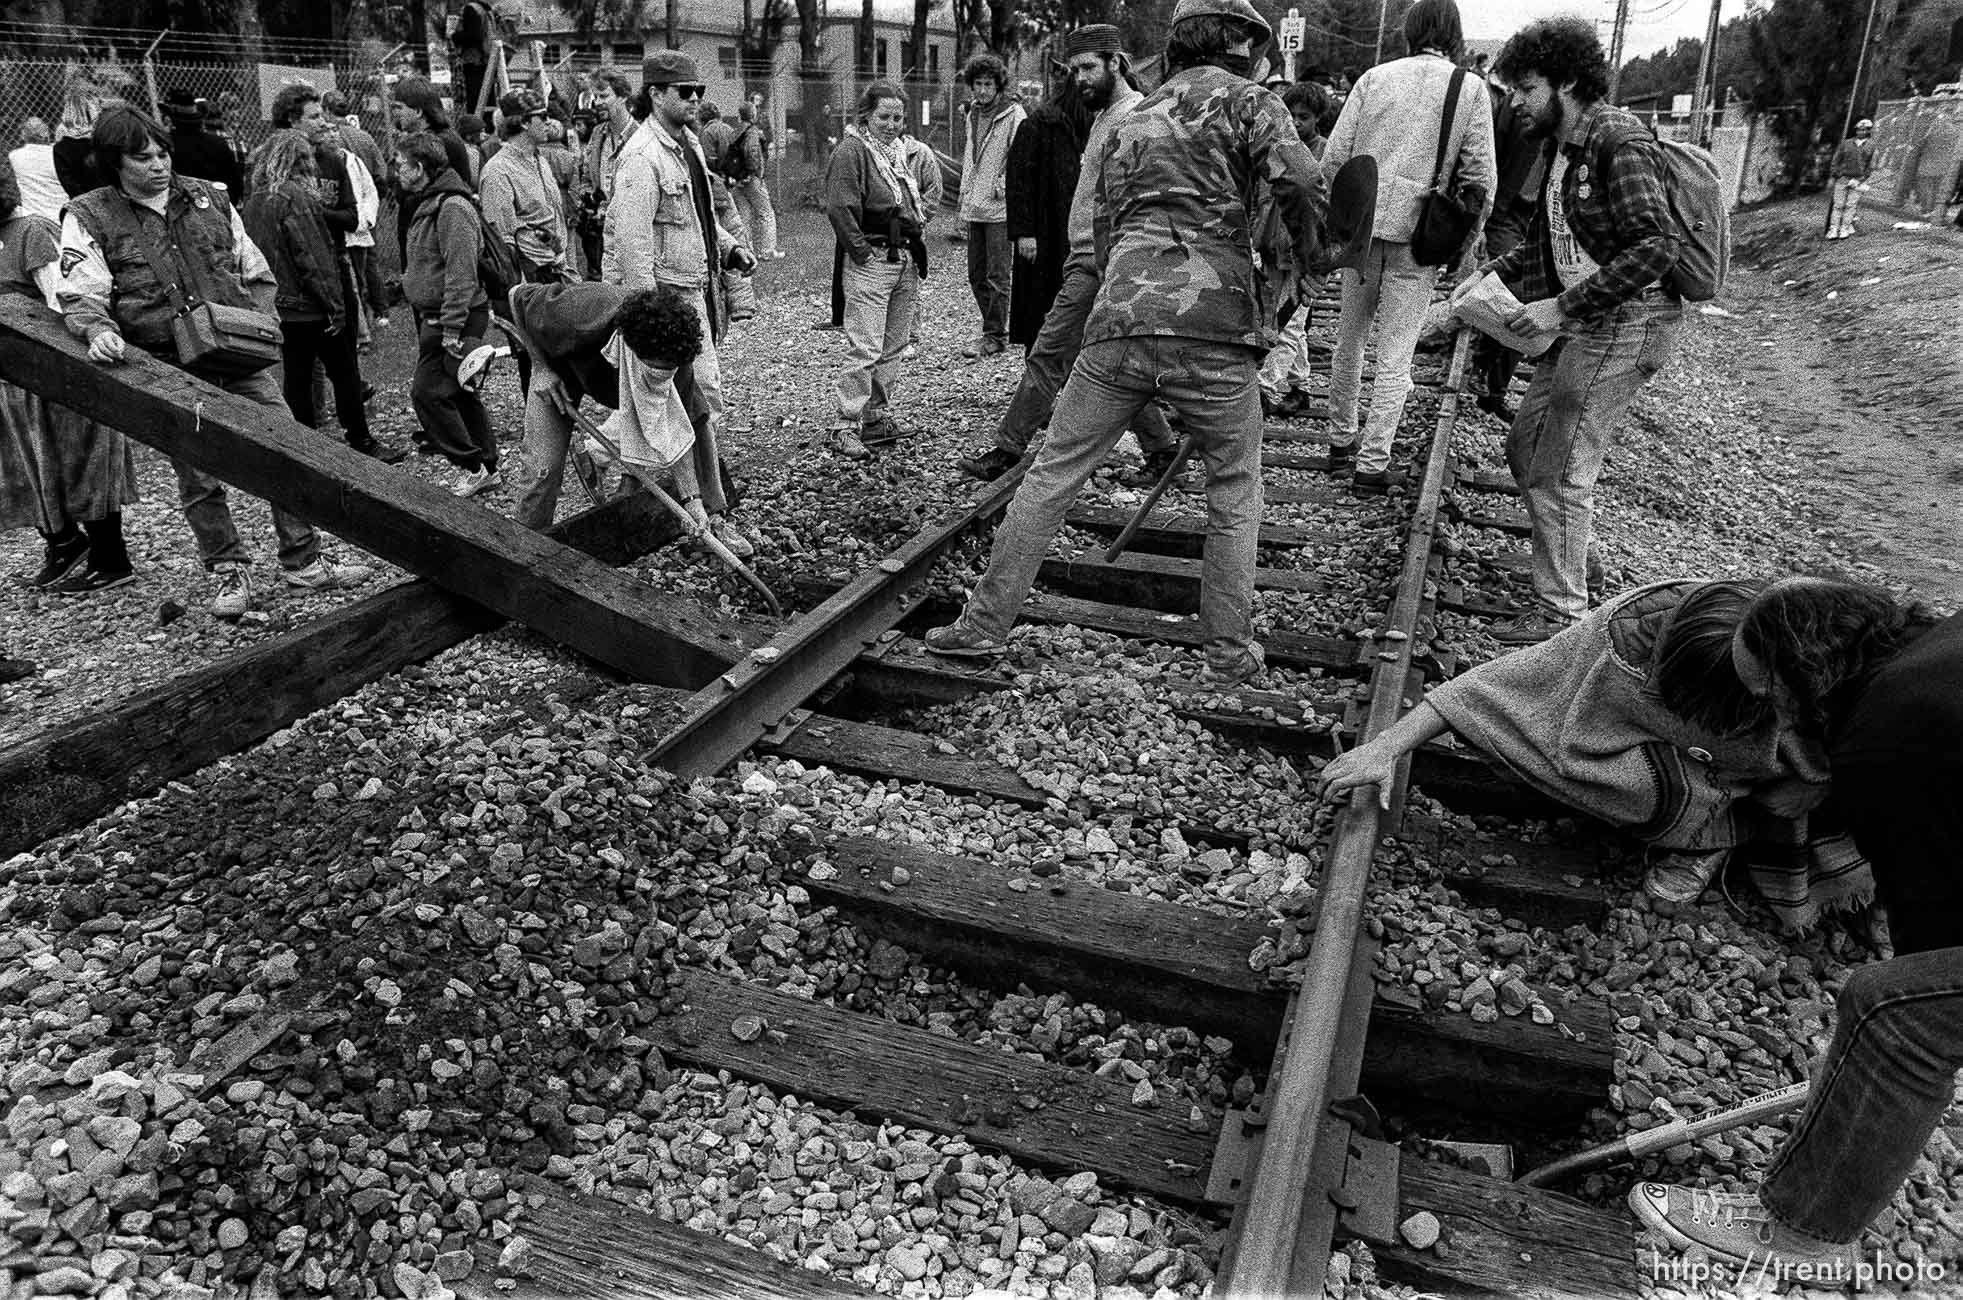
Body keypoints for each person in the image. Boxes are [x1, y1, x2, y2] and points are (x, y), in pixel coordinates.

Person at [925, 0, 1325, 687]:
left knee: (1052, 473)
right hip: (1214, 329)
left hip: (1117, 322)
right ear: (1241, 43)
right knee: (1233, 488)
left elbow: (1101, 227)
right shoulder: (1251, 104)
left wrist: (1121, 292)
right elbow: (1304, 187)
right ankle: (1228, 653)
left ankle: (981, 626)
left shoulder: (1127, 118)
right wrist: (1303, 271)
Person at [1626, 579, 1960, 1279]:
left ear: (1801, 679)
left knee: (1892, 1010)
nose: (1768, 719)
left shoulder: (1885, 735)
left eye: (1766, 697)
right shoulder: (1936, 648)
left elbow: (1934, 939)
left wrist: (1871, 1064)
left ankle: (1803, 1233)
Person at [1319, 577, 1877, 913]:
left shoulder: (1807, 654)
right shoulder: (1625, 638)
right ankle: (1692, 823)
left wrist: (1812, 783)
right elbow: (1497, 687)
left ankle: (1714, 837)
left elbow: (1871, 750)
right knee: (1599, 769)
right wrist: (1386, 747)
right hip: (1663, 762)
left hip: (1765, 776)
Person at [59, 106, 373, 617]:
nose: (159, 165)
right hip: (165, 365)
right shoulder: (90, 215)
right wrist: (98, 331)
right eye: (143, 158)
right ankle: (229, 571)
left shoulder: (210, 197)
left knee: (285, 447)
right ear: (113, 161)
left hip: (237, 354)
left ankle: (304, 560)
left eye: (162, 153)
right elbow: (81, 292)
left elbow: (254, 268)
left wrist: (258, 323)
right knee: (199, 474)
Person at [1478, 17, 1683, 647]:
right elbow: (1548, 241)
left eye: (1525, 86)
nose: (1513, 99)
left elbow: (1658, 246)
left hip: (1627, 325)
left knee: (1562, 470)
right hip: (1589, 323)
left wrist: (1559, 309)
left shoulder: (1617, 141)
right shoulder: (1560, 150)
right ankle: (1573, 564)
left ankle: (1565, 623)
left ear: (1566, 80)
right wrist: (1487, 281)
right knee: (1526, 450)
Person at [949, 25, 1183, 487]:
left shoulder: (1134, 117)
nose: (1079, 78)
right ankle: (1163, 448)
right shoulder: (1103, 116)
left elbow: (1142, 196)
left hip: (1102, 261)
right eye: (1074, 69)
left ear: (1115, 63)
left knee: (1049, 350)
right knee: (1114, 362)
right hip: (1088, 257)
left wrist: (1116, 259)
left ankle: (1008, 446)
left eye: (1089, 67)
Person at [1322, 0, 1495, 495]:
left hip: (1362, 232)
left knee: (1348, 342)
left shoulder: (1374, 78)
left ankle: (1339, 444)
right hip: (1419, 240)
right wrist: (1464, 246)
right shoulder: (1469, 89)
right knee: (1396, 357)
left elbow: (1335, 157)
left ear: (1411, 31)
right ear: (1454, 33)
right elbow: (1481, 178)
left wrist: (1343, 226)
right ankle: (1371, 465)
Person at [602, 50, 757, 558]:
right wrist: (651, 324)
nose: (694, 99)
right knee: (695, 400)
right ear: (655, 95)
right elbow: (632, 248)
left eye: (699, 92)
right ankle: (709, 511)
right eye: (683, 92)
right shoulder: (640, 158)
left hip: (697, 291)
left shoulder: (686, 143)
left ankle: (614, 469)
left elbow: (697, 216)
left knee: (682, 400)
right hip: (668, 301)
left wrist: (730, 247)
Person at [0, 152, 139, 595]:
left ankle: (109, 558)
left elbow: (64, 301)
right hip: (16, 382)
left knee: (83, 462)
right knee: (31, 466)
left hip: (57, 375)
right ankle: (63, 543)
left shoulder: (32, 232)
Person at [506, 281, 732, 538]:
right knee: (541, 467)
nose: (662, 376)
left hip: (600, 375)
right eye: (653, 369)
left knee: (697, 421)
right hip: (555, 369)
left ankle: (713, 519)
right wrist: (540, 368)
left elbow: (681, 431)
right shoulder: (578, 312)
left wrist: (692, 499)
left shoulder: (675, 356)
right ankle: (524, 549)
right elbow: (516, 296)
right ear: (630, 347)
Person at [241, 133, 400, 465]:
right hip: (311, 305)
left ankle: (304, 444)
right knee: (344, 372)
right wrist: (335, 307)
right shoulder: (298, 199)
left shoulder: (255, 201)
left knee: (296, 376)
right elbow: (313, 259)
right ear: (302, 163)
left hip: (280, 302)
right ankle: (360, 438)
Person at [824, 82, 936, 460]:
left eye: (898, 117)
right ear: (867, 116)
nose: (891, 124)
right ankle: (845, 423)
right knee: (865, 345)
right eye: (884, 116)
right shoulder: (853, 151)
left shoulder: (897, 155)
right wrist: (861, 253)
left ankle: (874, 417)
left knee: (894, 344)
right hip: (872, 256)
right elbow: (840, 208)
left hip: (902, 256)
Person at [396, 133, 501, 496]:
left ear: (419, 168)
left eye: (401, 164)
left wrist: (453, 329)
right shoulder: (429, 201)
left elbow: (462, 272)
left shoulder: (452, 207)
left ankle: (473, 464)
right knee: (457, 391)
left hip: (454, 317)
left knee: (428, 393)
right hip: (440, 315)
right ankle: (486, 464)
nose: (396, 171)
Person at [1470, 75, 1547, 424]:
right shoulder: (1513, 111)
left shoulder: (1571, 119)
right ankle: (1484, 365)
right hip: (1506, 211)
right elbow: (1490, 160)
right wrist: (1482, 223)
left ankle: (1494, 388)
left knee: (1528, 299)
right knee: (1513, 292)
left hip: (1539, 216)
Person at [1258, 80, 1333, 419]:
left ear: (1318, 118)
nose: (1297, 123)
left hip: (1303, 251)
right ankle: (1299, 386)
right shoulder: (1275, 148)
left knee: (1288, 319)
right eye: (1292, 115)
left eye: (1304, 116)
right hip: (1274, 245)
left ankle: (1266, 389)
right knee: (1291, 321)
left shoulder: (1325, 154)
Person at [1005, 67, 1089, 352]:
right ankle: (1038, 370)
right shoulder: (1039, 124)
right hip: (1044, 233)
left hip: (1073, 233)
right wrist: (1023, 232)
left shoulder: (1087, 125)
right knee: (1039, 308)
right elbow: (1018, 180)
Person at [956, 53, 1025, 359]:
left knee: (998, 275)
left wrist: (1003, 187)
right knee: (975, 273)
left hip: (999, 208)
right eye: (978, 84)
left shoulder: (1013, 114)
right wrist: (963, 199)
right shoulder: (972, 113)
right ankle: (993, 326)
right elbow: (969, 159)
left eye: (988, 84)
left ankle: (994, 335)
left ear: (999, 85)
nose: (982, 90)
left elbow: (1021, 158)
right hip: (975, 205)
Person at [480, 89, 569, 284]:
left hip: (556, 265)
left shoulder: (541, 161)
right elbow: (503, 243)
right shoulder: (498, 171)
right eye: (543, 116)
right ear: (523, 122)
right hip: (530, 275)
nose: (548, 122)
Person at [390, 77, 476, 252]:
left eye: (399, 107)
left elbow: (414, 193)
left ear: (418, 111)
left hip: (434, 241)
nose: (395, 114)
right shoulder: (421, 139)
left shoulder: (441, 142)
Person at [579, 66, 639, 278]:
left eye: (604, 96)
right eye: (595, 96)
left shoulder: (640, 137)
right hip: (601, 231)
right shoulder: (597, 134)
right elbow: (586, 175)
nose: (597, 102)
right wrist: (590, 202)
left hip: (633, 231)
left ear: (623, 97)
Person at [723, 103, 781, 261]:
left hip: (737, 179)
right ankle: (767, 251)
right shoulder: (752, 132)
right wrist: (750, 172)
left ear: (740, 115)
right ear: (753, 116)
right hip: (751, 178)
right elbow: (751, 151)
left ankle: (747, 251)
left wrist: (739, 175)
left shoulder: (736, 131)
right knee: (766, 214)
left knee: (744, 216)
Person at [162, 89, 243, 197]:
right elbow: (235, 183)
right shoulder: (219, 143)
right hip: (217, 202)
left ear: (170, 119)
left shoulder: (165, 146)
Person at [54, 80, 115, 197]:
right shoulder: (104, 136)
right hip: (108, 195)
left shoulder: (61, 145)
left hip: (83, 199)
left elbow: (68, 182)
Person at [10, 118, 67, 222]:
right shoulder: (59, 155)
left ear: (23, 135)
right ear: (47, 133)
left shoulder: (14, 157)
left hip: (35, 220)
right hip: (63, 216)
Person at [1825, 118, 1874, 241]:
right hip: (1843, 178)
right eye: (1859, 130)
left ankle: (1845, 228)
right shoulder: (1846, 143)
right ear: (1856, 130)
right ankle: (1833, 229)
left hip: (1857, 181)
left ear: (1868, 131)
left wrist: (1861, 180)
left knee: (1850, 205)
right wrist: (1837, 174)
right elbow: (1836, 160)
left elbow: (1870, 166)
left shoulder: (1871, 146)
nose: (1861, 132)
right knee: (1838, 205)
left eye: (1864, 130)